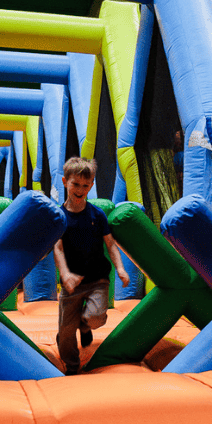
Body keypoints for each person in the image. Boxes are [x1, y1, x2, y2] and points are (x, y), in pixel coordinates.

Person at [53, 157, 129, 374]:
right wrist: (65, 274)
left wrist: (121, 268)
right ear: (65, 181)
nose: (80, 190)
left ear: (92, 185)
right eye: (75, 184)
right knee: (66, 333)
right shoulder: (59, 216)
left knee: (95, 318)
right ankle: (72, 366)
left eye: (85, 186)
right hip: (71, 284)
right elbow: (57, 248)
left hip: (97, 279)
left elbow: (111, 245)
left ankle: (85, 325)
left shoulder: (97, 215)